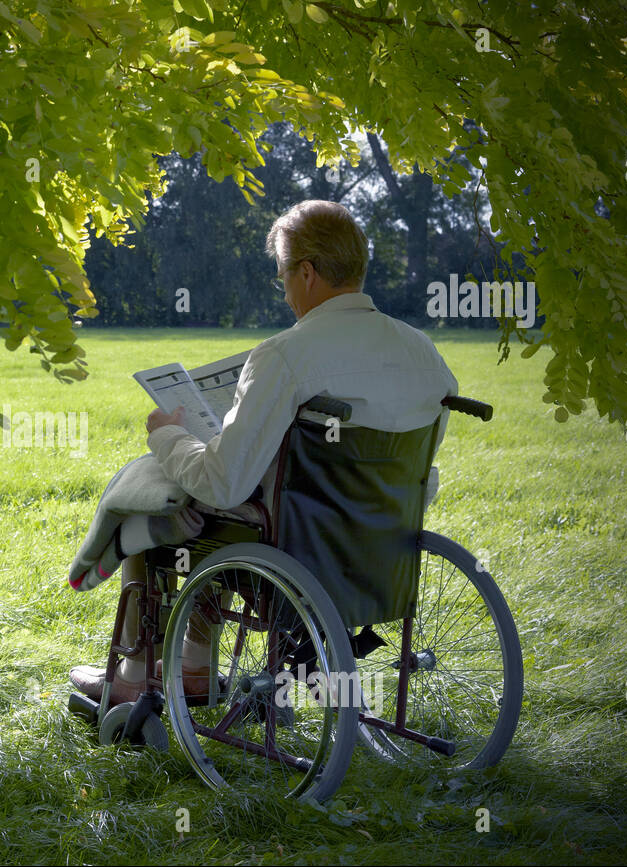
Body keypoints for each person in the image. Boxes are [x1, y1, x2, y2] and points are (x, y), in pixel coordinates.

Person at [70, 199, 459, 705]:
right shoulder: (425, 355)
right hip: (378, 546)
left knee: (161, 495)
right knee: (233, 501)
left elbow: (222, 482)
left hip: (290, 548)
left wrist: (167, 435)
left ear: (307, 272)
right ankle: (189, 666)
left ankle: (134, 673)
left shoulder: (284, 356)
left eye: (283, 278)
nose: (285, 293)